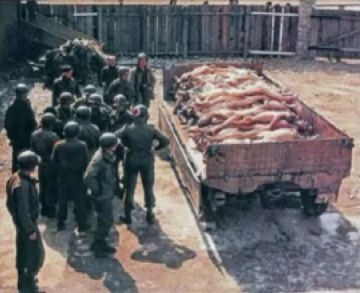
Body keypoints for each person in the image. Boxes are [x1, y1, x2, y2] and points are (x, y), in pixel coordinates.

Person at [116, 105, 169, 225]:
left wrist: (124, 147)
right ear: (146, 116)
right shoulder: (151, 129)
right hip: (147, 161)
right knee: (148, 187)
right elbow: (166, 140)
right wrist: (155, 148)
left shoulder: (128, 129)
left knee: (129, 188)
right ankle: (149, 213)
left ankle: (127, 215)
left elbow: (114, 138)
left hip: (131, 161)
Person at [6, 151, 45, 293]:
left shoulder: (15, 177)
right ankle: (28, 286)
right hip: (27, 226)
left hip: (21, 225)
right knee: (35, 256)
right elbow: (23, 210)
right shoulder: (21, 186)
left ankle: (24, 282)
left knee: (24, 253)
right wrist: (30, 230)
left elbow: (9, 205)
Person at [84, 133, 120, 258]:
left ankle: (99, 242)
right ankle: (98, 245)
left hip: (106, 193)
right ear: (110, 146)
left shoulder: (106, 155)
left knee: (104, 220)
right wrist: (96, 191)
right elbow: (88, 177)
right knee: (106, 220)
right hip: (102, 196)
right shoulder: (99, 160)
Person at [51, 121, 90, 232]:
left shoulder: (58, 145)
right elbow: (86, 161)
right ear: (77, 133)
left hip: (63, 176)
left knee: (62, 199)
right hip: (78, 176)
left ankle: (60, 222)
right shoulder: (82, 145)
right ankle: (82, 223)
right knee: (80, 200)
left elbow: (53, 161)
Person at [30, 113, 60, 218]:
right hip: (52, 165)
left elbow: (32, 149)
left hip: (41, 164)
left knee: (43, 186)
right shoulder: (53, 136)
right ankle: (51, 210)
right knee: (51, 188)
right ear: (51, 124)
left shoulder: (34, 134)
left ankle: (43, 209)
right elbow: (57, 152)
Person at [4, 84, 37, 173]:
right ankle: (24, 174)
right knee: (26, 157)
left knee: (16, 157)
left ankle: (15, 174)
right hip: (27, 137)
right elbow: (33, 122)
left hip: (17, 138)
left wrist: (11, 137)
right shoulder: (27, 107)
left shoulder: (12, 107)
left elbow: (7, 124)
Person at [109, 94, 133, 197]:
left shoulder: (130, 116)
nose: (119, 107)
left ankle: (125, 188)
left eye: (121, 105)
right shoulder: (112, 115)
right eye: (118, 105)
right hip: (114, 145)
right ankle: (116, 188)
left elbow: (132, 131)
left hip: (125, 145)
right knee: (113, 168)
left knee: (126, 168)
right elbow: (109, 129)